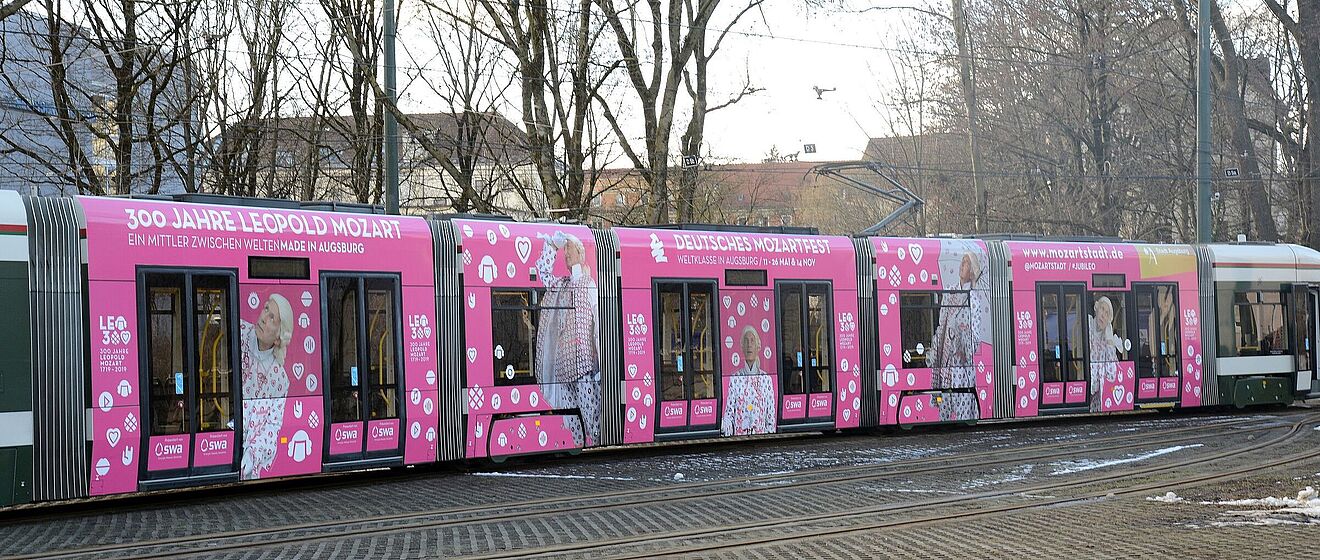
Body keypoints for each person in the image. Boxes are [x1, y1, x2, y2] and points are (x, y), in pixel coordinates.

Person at [534, 231, 602, 447]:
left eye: (569, 249)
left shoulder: (589, 284)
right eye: (564, 250)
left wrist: (601, 358)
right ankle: (578, 444)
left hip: (584, 364)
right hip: (563, 364)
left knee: (591, 413)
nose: (566, 254)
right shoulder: (561, 285)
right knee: (571, 417)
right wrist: (552, 246)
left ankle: (596, 441)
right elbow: (543, 272)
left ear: (581, 253)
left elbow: (599, 322)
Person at [240, 293, 294, 480]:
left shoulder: (280, 381)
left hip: (245, 463)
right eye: (266, 309)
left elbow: (272, 428)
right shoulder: (238, 331)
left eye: (272, 318)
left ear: (279, 339)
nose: (264, 318)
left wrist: (252, 455)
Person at [929, 251, 987, 388]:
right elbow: (941, 324)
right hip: (944, 355)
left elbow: (975, 334)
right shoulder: (949, 292)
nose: (962, 265)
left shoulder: (973, 299)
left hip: (960, 364)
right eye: (962, 261)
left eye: (966, 262)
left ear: (972, 272)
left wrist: (965, 351)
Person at [722, 326, 777, 436]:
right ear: (742, 347)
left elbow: (770, 418)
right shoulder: (735, 379)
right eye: (746, 341)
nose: (749, 345)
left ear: (758, 346)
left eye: (752, 341)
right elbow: (729, 416)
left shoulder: (766, 379)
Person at [1088, 295, 1124, 412]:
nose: (1103, 314)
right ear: (1096, 309)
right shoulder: (1087, 325)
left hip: (1097, 399)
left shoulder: (1109, 339)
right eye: (1102, 309)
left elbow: (1112, 374)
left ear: (1109, 320)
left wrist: (1109, 342)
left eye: (1107, 313)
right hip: (1085, 388)